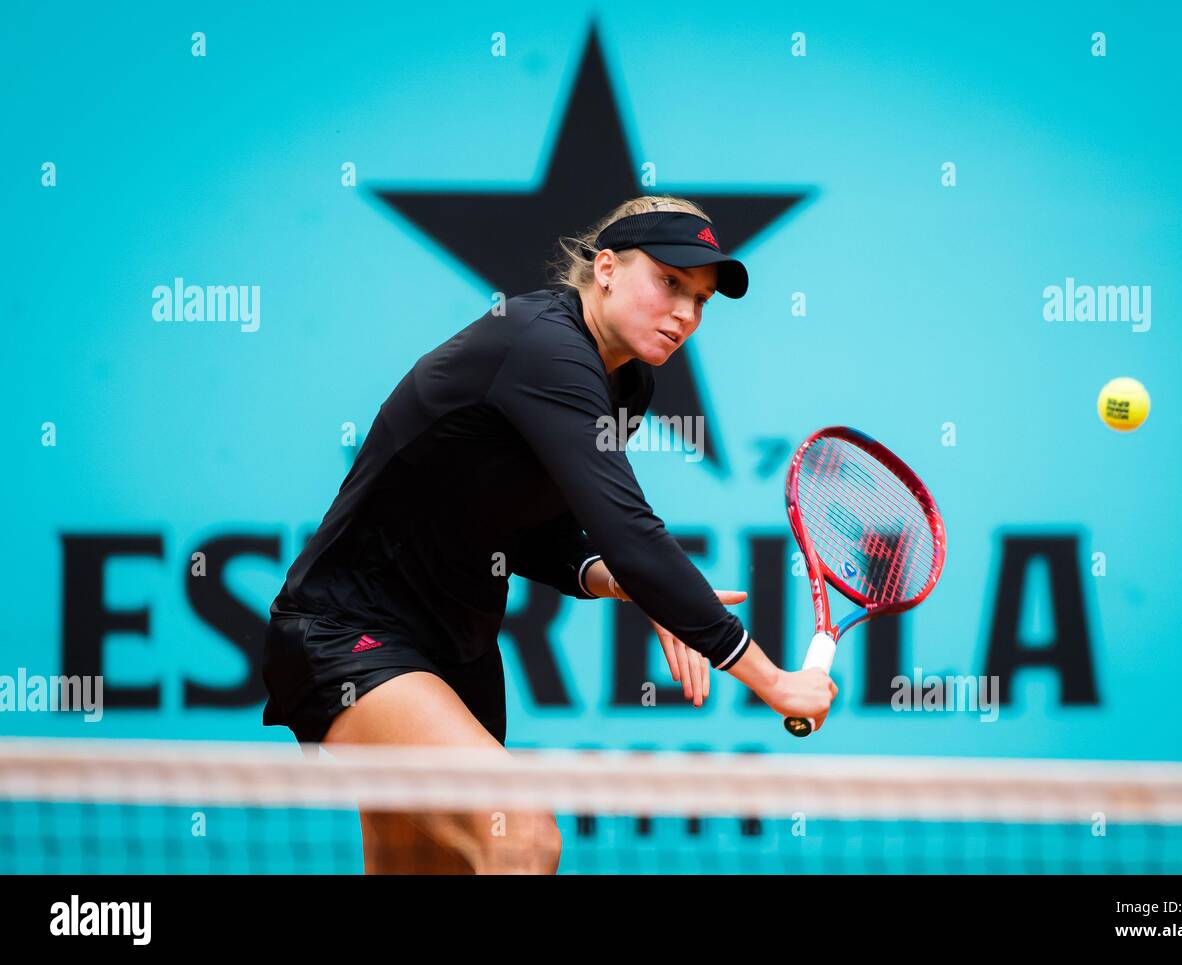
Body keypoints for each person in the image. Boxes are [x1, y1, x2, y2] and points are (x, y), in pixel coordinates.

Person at [261, 195, 838, 873]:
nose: (687, 313)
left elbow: (547, 536)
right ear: (605, 269)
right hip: (350, 633)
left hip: (455, 653)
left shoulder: (627, 387)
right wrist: (772, 681)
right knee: (523, 836)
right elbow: (629, 529)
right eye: (671, 283)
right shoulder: (543, 345)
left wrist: (630, 582)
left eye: (703, 298)